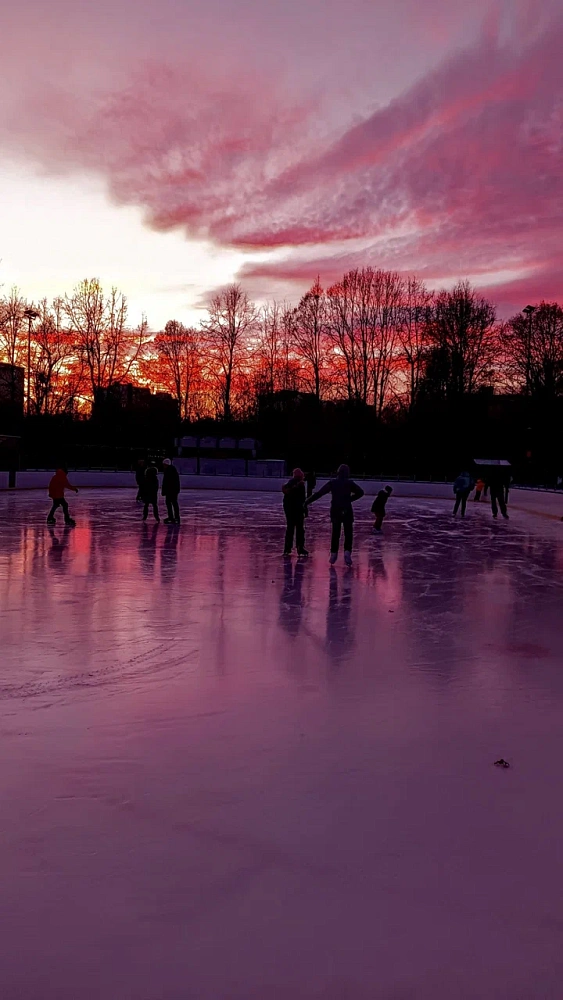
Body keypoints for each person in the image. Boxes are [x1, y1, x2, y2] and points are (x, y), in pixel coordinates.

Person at [305, 463, 364, 566]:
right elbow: (361, 492)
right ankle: (347, 552)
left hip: (335, 510)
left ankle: (333, 554)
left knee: (335, 532)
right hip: (346, 510)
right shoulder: (349, 483)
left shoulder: (332, 483)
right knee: (348, 532)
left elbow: (319, 493)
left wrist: (306, 502)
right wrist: (350, 499)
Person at [282, 468, 308, 556]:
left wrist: (287, 510)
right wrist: (305, 510)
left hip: (289, 510)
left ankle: (287, 549)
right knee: (300, 529)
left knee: (290, 528)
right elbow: (302, 499)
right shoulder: (301, 485)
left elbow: (285, 499)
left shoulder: (289, 483)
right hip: (298, 510)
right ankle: (300, 548)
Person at [162, 458, 181, 524]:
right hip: (173, 490)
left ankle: (173, 517)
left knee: (171, 504)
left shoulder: (169, 471)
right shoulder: (172, 470)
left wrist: (164, 491)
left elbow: (167, 482)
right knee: (173, 503)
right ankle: (174, 517)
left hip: (171, 491)